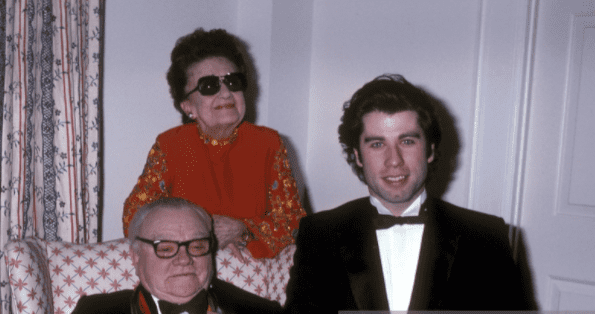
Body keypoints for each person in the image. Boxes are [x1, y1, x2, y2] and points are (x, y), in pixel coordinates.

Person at [284, 74, 530, 311]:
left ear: (430, 150)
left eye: (407, 141)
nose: (394, 160)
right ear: (358, 156)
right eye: (377, 144)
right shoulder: (319, 235)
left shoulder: (487, 239)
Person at [122, 28, 306, 259]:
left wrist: (243, 229)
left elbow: (295, 223)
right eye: (209, 86)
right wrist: (201, 232)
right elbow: (134, 218)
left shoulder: (269, 143)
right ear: (188, 106)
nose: (226, 93)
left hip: (251, 271)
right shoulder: (170, 146)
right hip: (185, 263)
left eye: (233, 81)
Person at [72, 197, 282, 314]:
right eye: (165, 248)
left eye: (198, 246)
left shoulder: (260, 313)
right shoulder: (94, 311)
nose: (184, 259)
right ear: (136, 257)